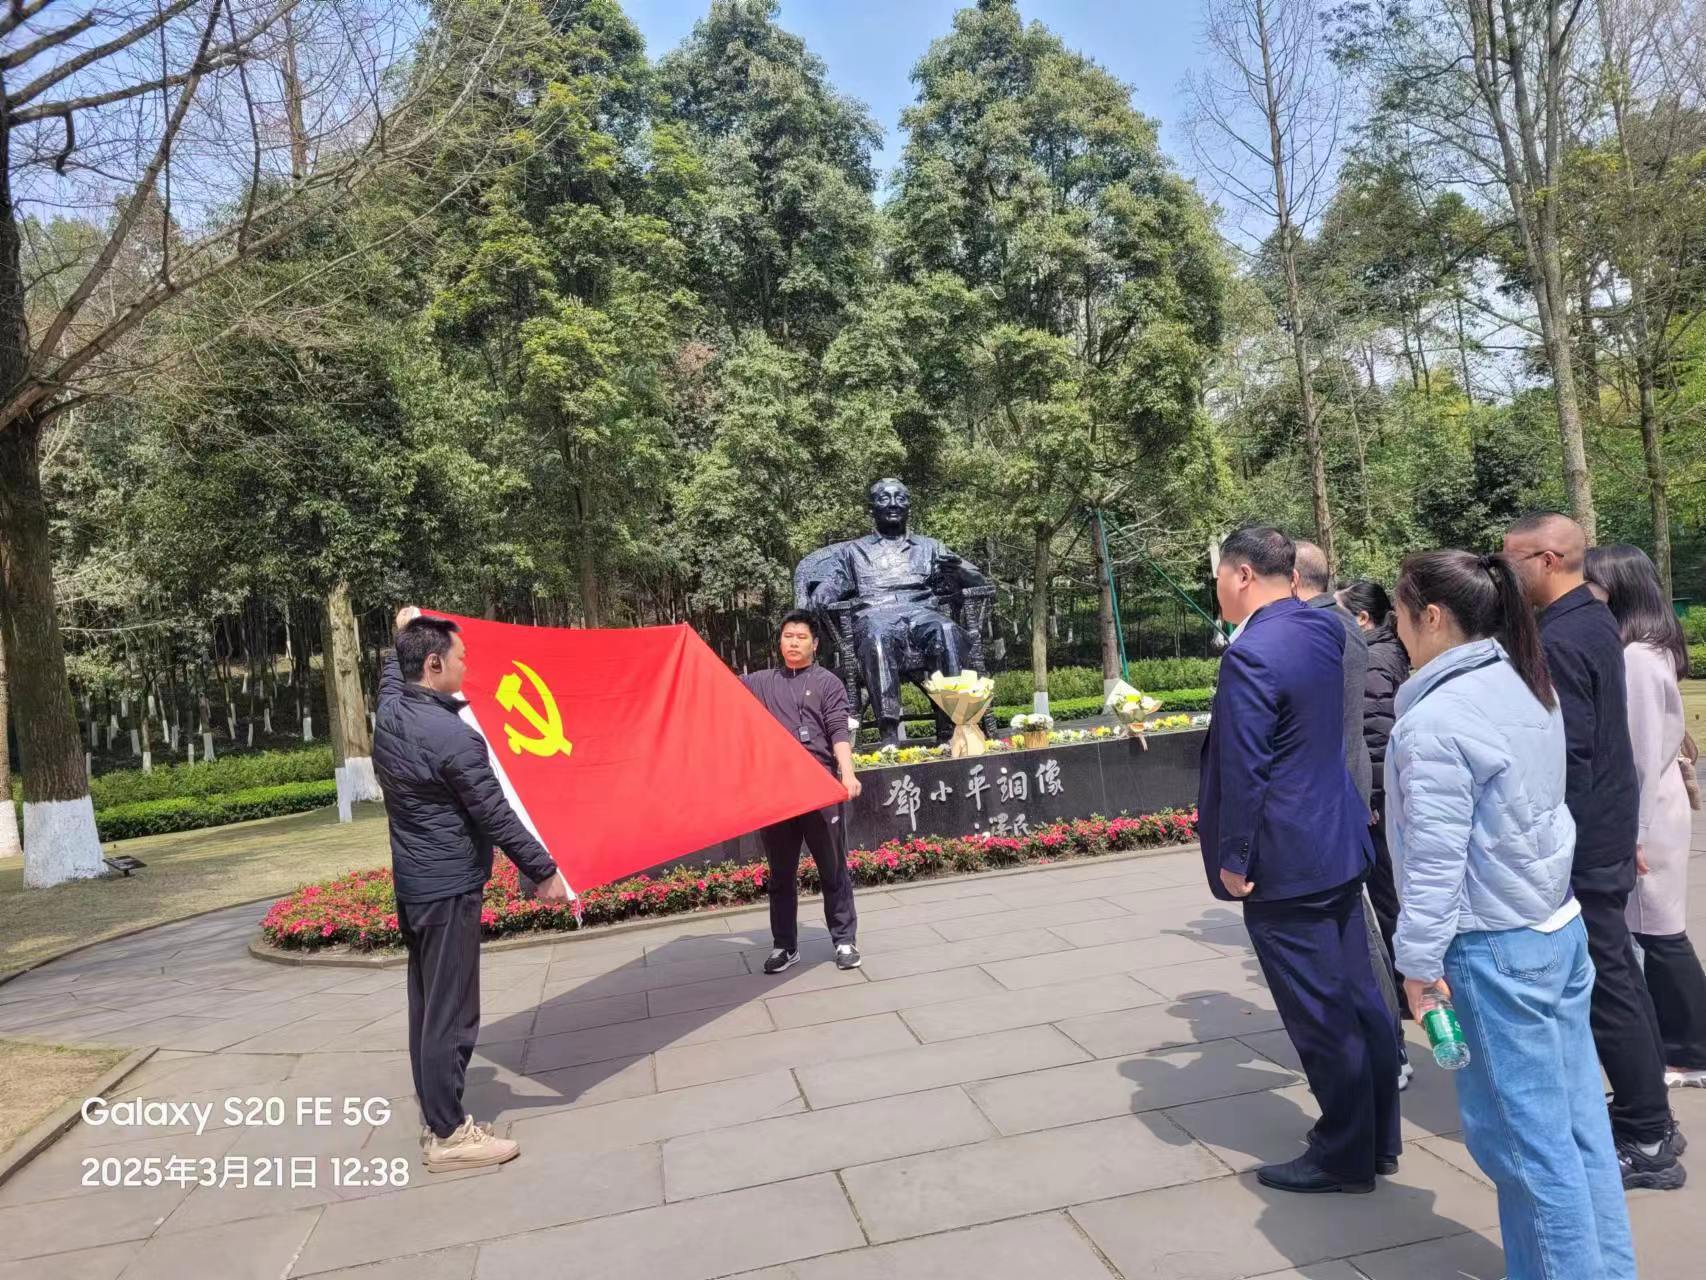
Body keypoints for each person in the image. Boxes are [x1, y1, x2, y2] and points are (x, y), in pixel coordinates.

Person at [1386, 549, 1635, 1279]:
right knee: (1579, 1130)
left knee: (1528, 1150)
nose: (1396, 630)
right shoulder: (1527, 683)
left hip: (1493, 945)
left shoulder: (1436, 723)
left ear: (1432, 617)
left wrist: (1417, 965)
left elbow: (1434, 861)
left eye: (1399, 615)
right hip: (1554, 927)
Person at [1199, 526, 1399, 1194]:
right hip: (1337, 837)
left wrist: (1235, 856)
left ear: (1243, 574)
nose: (1217, 588)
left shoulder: (1253, 653)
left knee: (1320, 1010)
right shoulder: (1323, 628)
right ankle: (1377, 1136)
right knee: (1359, 995)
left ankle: (1343, 1154)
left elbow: (1246, 766)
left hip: (1286, 856)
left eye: (1219, 575)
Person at [1505, 512, 1683, 1188]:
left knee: (1610, 983)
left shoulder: (1562, 635)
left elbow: (1568, 754)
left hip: (1584, 838)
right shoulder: (1590, 619)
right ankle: (1649, 1115)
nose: (1504, 572)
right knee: (1619, 976)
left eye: (1512, 559)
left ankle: (1647, 1137)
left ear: (1548, 560)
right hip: (1604, 829)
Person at [373, 608, 570, 1173]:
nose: (467, 667)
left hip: (416, 886)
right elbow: (495, 814)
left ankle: (437, 1112)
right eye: (460, 658)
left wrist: (400, 636)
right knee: (454, 1012)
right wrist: (543, 871)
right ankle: (449, 1134)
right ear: (434, 664)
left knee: (427, 1005)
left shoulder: (391, 712)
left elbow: (392, 676)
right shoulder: (452, 737)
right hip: (449, 887)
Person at [1587, 544, 1706, 1089]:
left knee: (1658, 931)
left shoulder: (1635, 657)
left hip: (1647, 811)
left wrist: (1628, 831)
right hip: (1656, 805)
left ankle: (1689, 1047)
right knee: (1657, 929)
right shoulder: (1650, 648)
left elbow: (1635, 753)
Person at [742, 610, 864, 974]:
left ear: (815, 644)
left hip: (819, 789)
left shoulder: (828, 683)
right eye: (787, 636)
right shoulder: (761, 682)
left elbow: (838, 730)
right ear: (780, 642)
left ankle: (844, 940)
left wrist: (847, 773)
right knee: (781, 874)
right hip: (777, 793)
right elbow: (717, 688)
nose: (793, 642)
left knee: (833, 868)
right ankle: (784, 946)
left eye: (801, 637)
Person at [1337, 579, 1411, 1008]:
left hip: (1379, 797)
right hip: (1384, 793)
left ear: (1362, 618)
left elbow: (1374, 735)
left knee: (1387, 894)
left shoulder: (1372, 661)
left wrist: (1369, 796)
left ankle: (1404, 987)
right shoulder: (1384, 652)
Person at [1294, 541, 1374, 807]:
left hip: (1323, 794)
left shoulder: (1308, 627)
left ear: (1292, 579)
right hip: (1351, 780)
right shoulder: (1344, 619)